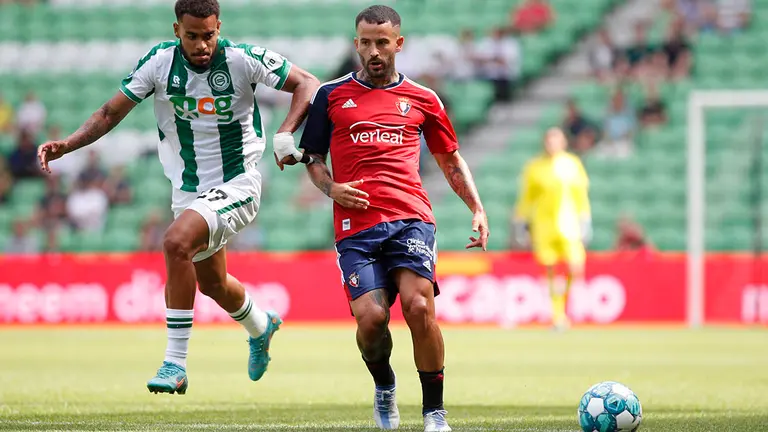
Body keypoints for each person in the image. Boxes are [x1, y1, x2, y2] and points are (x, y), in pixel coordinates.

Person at [37, 0, 320, 394]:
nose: (202, 44)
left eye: (209, 35)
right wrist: (68, 145)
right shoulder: (159, 63)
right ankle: (261, 324)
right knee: (213, 284)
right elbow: (108, 113)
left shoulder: (243, 59)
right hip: (188, 190)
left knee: (174, 241)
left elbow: (308, 83)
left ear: (219, 27)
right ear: (176, 31)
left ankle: (175, 363)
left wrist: (286, 132)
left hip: (238, 183)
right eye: (192, 36)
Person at [297, 5, 489, 432]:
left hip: (410, 218)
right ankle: (384, 384)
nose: (374, 51)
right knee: (371, 319)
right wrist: (331, 188)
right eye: (365, 42)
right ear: (356, 44)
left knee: (419, 307)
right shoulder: (330, 96)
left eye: (382, 42)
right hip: (355, 226)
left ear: (398, 44)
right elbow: (311, 158)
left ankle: (434, 413)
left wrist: (476, 207)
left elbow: (449, 158)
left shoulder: (423, 98)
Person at [513, 128, 591, 331]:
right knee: (550, 270)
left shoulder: (573, 164)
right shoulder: (535, 167)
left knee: (575, 266)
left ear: (563, 142)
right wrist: (521, 223)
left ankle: (566, 306)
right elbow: (526, 198)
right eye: (549, 140)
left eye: (556, 140)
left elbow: (581, 195)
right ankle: (558, 316)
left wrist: (585, 220)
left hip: (569, 225)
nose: (552, 144)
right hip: (543, 226)